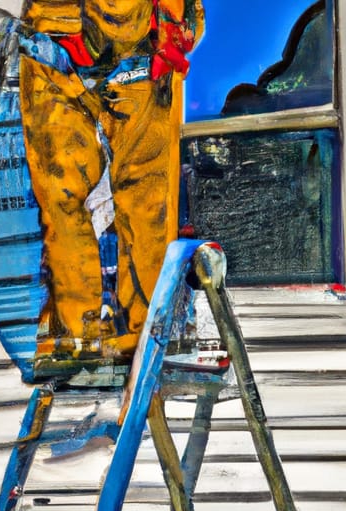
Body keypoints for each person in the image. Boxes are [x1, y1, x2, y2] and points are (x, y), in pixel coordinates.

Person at [16, 0, 205, 375]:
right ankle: (83, 333)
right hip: (60, 39)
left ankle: (146, 333)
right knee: (63, 193)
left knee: (145, 198)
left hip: (139, 41)